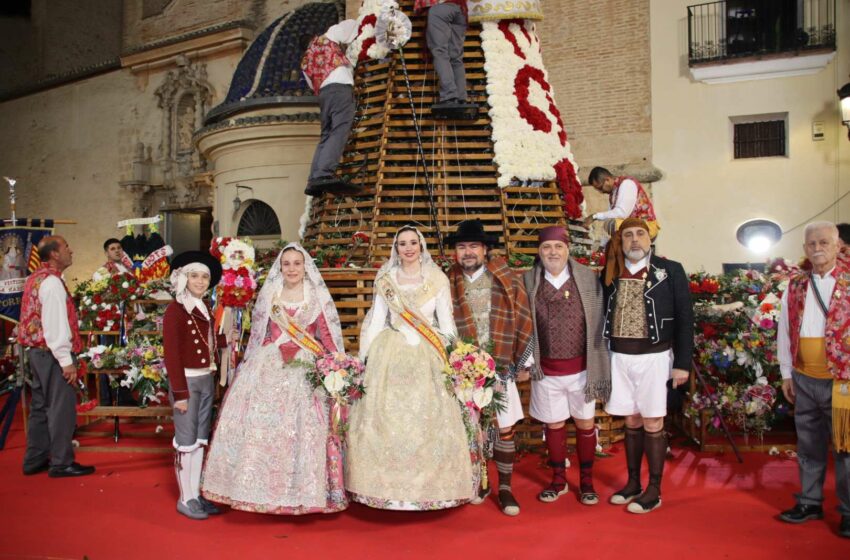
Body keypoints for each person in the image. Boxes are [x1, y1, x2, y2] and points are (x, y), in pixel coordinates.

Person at [202, 243, 348, 515]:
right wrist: (261, 358)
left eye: (297, 263)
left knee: (304, 426)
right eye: (287, 263)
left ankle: (302, 491)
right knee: (260, 422)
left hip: (305, 364)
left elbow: (326, 336)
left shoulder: (316, 297)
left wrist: (335, 365)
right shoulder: (271, 294)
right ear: (280, 267)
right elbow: (262, 334)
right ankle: (258, 489)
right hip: (270, 361)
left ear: (305, 267)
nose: (291, 268)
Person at [345, 225, 475, 510]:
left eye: (413, 242)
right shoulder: (386, 278)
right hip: (390, 353)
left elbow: (446, 321)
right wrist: (364, 359)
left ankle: (432, 488)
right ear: (396, 248)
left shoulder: (436, 278)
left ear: (421, 246)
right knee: (385, 417)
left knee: (430, 417)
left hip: (429, 353)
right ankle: (384, 489)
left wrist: (455, 356)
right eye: (402, 243)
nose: (408, 248)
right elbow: (377, 318)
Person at [601, 218, 693, 514]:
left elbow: (685, 319)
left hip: (655, 357)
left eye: (640, 234)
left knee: (653, 421)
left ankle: (654, 489)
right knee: (630, 420)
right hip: (620, 357)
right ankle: (632, 483)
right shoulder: (611, 270)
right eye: (628, 235)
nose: (635, 240)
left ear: (650, 238)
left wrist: (682, 364)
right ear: (621, 241)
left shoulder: (670, 270)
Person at [445, 219, 534, 516]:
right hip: (462, 369)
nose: (467, 252)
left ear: (485, 249)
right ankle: (478, 483)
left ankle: (506, 488)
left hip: (500, 366)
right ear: (455, 253)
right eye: (461, 247)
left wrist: (525, 362)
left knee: (504, 428)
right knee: (471, 431)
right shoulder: (448, 281)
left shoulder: (505, 277)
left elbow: (523, 314)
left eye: (473, 246)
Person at [522, 225, 610, 507]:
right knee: (554, 423)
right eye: (547, 247)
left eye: (558, 247)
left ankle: (586, 482)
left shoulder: (586, 278)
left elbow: (599, 319)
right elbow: (523, 324)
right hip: (546, 370)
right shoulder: (529, 280)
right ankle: (558, 479)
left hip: (582, 369)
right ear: (539, 251)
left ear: (567, 249)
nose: (553, 252)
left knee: (585, 423)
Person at [777, 221, 850, 539]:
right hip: (804, 378)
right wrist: (785, 372)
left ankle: (848, 512)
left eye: (824, 242)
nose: (817, 248)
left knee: (846, 450)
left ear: (838, 246)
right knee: (808, 446)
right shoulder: (794, 285)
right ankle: (809, 502)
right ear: (804, 249)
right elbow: (784, 329)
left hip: (843, 382)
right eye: (811, 243)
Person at [19, 236, 95, 478]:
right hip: (51, 354)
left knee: (40, 407)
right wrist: (66, 361)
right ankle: (61, 462)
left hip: (36, 353)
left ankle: (35, 458)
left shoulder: (35, 277)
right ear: (54, 254)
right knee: (61, 409)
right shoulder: (51, 283)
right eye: (66, 247)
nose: (71, 251)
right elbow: (54, 326)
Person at [162, 251, 223, 520]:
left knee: (199, 440)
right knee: (186, 442)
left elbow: (205, 342)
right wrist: (180, 394)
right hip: (186, 382)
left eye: (205, 277)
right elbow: (172, 354)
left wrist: (225, 340)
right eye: (194, 276)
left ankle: (195, 494)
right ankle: (185, 498)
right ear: (183, 278)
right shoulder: (175, 309)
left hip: (205, 379)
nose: (200, 281)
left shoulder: (204, 307)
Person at [301, 19, 359, 196]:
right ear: (314, 37)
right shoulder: (329, 36)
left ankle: (314, 178)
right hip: (340, 89)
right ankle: (325, 173)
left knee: (326, 134)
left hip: (324, 95)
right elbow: (354, 26)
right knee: (339, 130)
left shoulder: (304, 62)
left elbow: (312, 85)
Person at [416, 0, 468, 111]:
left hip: (441, 7)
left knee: (440, 52)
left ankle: (449, 95)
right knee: (456, 57)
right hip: (460, 9)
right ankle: (461, 97)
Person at [585, 167, 660, 240]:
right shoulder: (613, 193)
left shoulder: (627, 183)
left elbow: (622, 213)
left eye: (601, 188)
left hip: (647, 226)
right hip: (632, 225)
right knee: (609, 224)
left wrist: (594, 216)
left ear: (607, 180)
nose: (601, 192)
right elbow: (610, 215)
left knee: (613, 224)